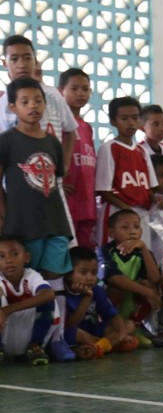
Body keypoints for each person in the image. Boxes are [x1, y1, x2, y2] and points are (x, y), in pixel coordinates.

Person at [0, 77, 75, 363]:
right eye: (25, 102)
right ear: (12, 107)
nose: (33, 106)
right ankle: (21, 341)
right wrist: (5, 217)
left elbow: (56, 179)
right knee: (24, 281)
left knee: (54, 281)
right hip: (22, 224)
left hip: (54, 221)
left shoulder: (52, 141)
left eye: (38, 101)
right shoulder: (6, 141)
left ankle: (57, 339)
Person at [0, 36, 77, 167]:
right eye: (14, 59)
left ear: (35, 61)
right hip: (18, 180)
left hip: (51, 179)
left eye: (27, 58)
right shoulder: (3, 103)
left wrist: (65, 163)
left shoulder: (53, 95)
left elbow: (70, 132)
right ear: (5, 63)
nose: (22, 64)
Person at [94, 97, 158, 248]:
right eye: (124, 118)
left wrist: (155, 199)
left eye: (135, 118)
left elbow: (149, 186)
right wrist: (126, 209)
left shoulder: (142, 151)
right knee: (114, 254)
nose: (130, 123)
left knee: (141, 254)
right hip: (117, 211)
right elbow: (103, 189)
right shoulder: (109, 147)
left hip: (140, 214)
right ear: (113, 121)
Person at [64, 246, 138, 359]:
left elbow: (112, 316)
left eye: (94, 273)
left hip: (93, 328)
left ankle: (98, 347)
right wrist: (86, 298)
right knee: (76, 333)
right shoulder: (63, 293)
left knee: (129, 325)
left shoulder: (96, 289)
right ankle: (107, 345)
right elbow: (72, 323)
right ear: (69, 274)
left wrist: (122, 334)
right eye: (83, 272)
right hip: (75, 332)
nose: (90, 278)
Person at [101, 209, 161, 347]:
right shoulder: (105, 251)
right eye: (125, 227)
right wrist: (149, 293)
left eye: (136, 226)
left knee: (149, 285)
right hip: (112, 299)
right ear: (111, 233)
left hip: (130, 299)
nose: (133, 231)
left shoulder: (142, 252)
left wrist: (144, 249)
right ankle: (112, 328)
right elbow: (113, 278)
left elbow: (155, 278)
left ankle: (133, 326)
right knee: (114, 289)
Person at [0, 235, 57, 365]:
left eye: (14, 254)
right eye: (1, 256)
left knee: (47, 300)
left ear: (27, 257)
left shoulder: (31, 276)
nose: (8, 260)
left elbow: (48, 294)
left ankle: (35, 346)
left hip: (27, 331)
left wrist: (7, 310)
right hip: (5, 332)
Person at [58, 68, 98, 251]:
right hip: (68, 198)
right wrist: (58, 184)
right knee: (68, 251)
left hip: (87, 200)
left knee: (86, 252)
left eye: (85, 89)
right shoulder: (58, 123)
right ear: (60, 91)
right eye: (74, 89)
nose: (81, 93)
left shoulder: (87, 127)